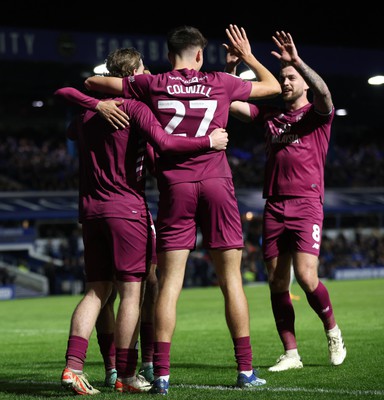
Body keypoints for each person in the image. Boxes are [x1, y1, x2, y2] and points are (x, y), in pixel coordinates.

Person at [83, 24, 281, 394]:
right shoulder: (220, 81)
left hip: (175, 187)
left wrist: (100, 103)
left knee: (170, 285)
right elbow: (273, 88)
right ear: (201, 54)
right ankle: (245, 370)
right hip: (218, 185)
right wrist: (246, 57)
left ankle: (162, 375)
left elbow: (94, 84)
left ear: (168, 53)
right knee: (231, 280)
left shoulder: (152, 83)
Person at [56, 47, 229, 395]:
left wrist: (93, 104)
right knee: (133, 293)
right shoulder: (135, 107)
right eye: (145, 69)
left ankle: (73, 367)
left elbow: (67, 104)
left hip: (90, 211)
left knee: (96, 291)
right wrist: (207, 141)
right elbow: (163, 144)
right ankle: (125, 373)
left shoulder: (88, 115)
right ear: (133, 73)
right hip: (127, 210)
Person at [228, 31, 347, 372]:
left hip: (306, 203)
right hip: (275, 206)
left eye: (291, 78)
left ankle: (332, 331)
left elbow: (324, 92)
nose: (285, 82)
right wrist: (232, 71)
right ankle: (291, 353)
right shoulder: (271, 118)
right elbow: (231, 105)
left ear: (304, 82)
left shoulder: (317, 116)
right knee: (277, 282)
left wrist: (298, 62)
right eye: (282, 78)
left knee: (308, 278)